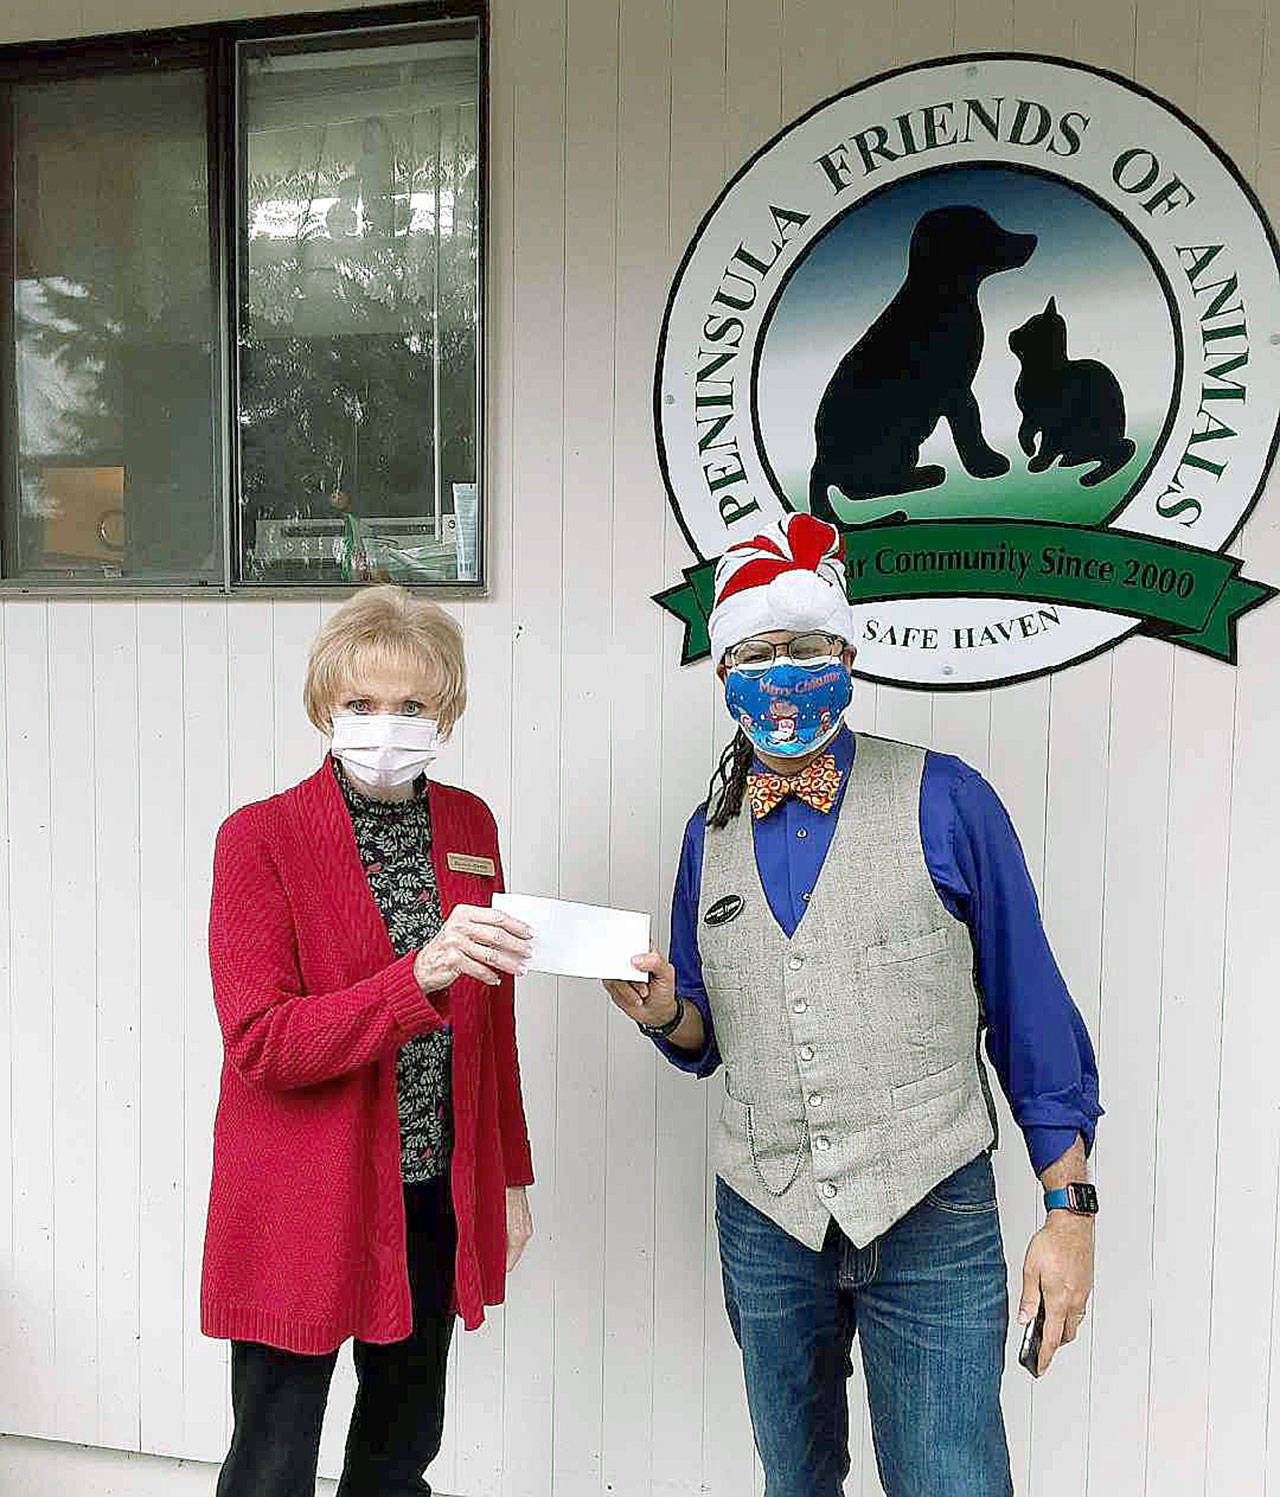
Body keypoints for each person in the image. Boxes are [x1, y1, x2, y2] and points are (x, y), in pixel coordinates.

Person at [605, 514, 1102, 1497]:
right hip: (765, 1215)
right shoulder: (707, 835)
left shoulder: (947, 799)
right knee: (794, 1481)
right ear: (723, 673)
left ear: (845, 656)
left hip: (931, 1204)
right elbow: (709, 1032)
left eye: (804, 647)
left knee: (952, 1480)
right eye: (756, 654)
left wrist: (1068, 1209)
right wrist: (664, 1013)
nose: (781, 673)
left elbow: (1029, 1008)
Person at [203, 584, 536, 1497]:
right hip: (303, 1192)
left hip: (430, 1188)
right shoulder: (260, 838)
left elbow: (492, 1022)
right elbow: (262, 1040)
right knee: (272, 1459)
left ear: (446, 714)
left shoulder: (469, 825)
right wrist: (413, 979)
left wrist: (507, 1177)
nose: (386, 724)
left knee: (401, 1445)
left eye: (413, 705)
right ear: (325, 705)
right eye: (362, 702)